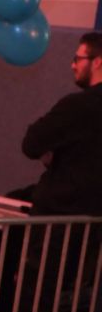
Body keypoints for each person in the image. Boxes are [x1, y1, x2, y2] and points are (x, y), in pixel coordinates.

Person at [21, 31, 102, 215]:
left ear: (97, 62)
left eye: (78, 59)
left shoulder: (78, 105)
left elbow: (31, 144)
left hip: (61, 215)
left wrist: (54, 153)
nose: (73, 65)